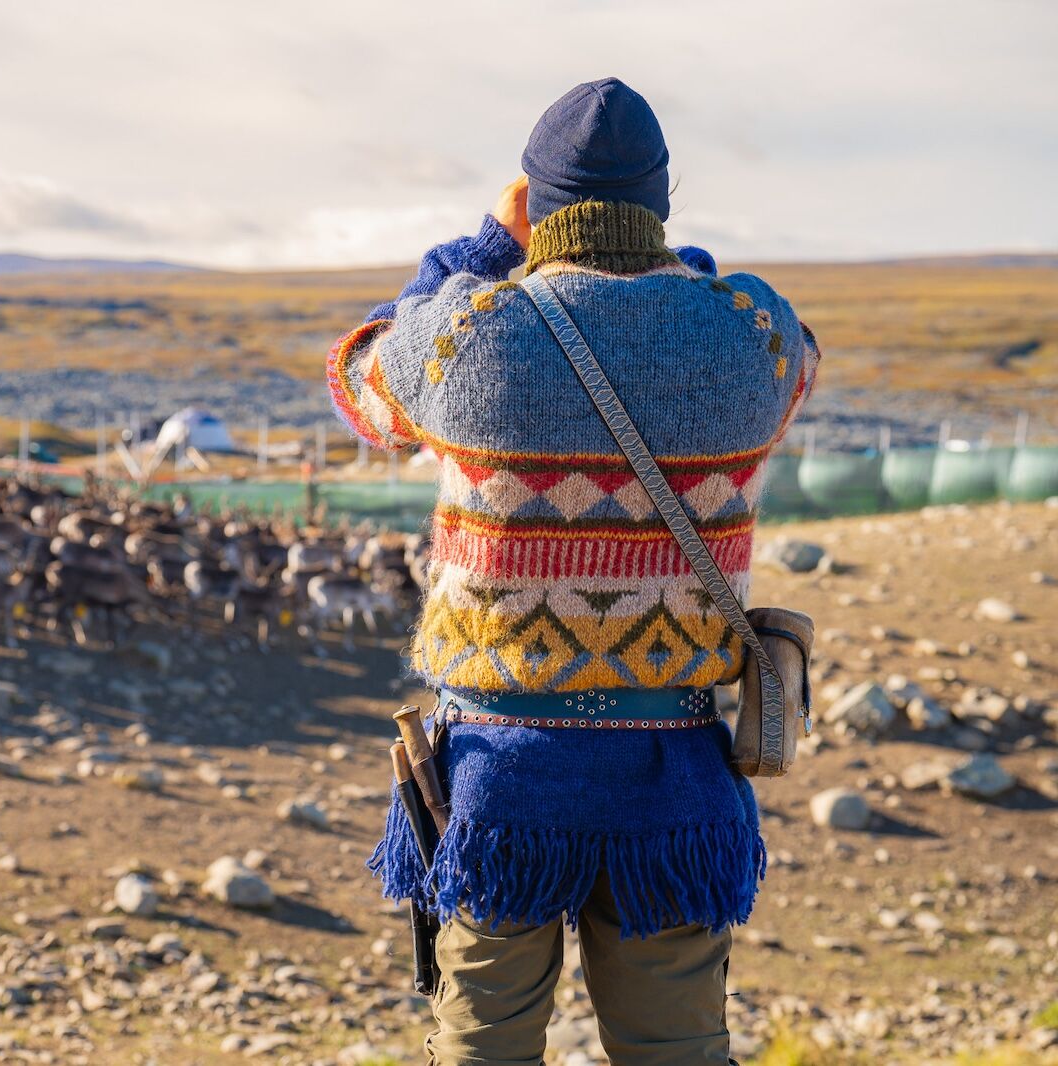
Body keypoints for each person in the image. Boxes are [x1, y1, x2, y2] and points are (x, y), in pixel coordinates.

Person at [327, 78, 821, 1065]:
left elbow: (359, 376)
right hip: (669, 783)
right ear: (660, 203)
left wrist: (482, 245)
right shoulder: (747, 336)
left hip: (498, 784)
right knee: (676, 1049)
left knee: (479, 1048)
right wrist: (671, 267)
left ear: (538, 206)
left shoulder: (468, 336)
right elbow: (787, 353)